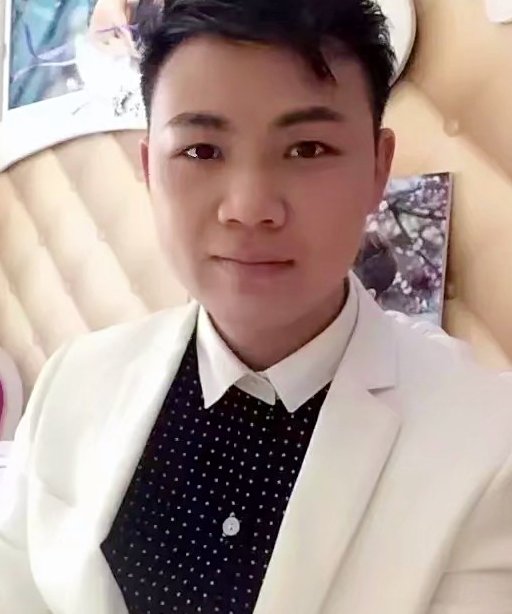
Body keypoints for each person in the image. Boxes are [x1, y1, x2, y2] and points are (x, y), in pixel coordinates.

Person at [1, 1, 512, 613]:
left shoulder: (487, 444)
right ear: (149, 169)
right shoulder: (72, 381)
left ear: (378, 169)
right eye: (201, 151)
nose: (248, 208)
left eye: (308, 149)